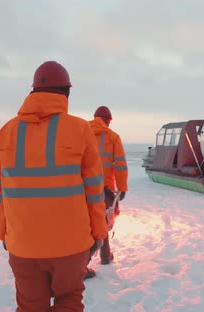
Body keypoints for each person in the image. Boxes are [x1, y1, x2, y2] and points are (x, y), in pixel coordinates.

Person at [0, 61, 107, 311]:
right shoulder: (79, 130)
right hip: (71, 246)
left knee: (31, 306)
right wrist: (99, 234)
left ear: (33, 91)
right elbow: (95, 190)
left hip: (23, 246)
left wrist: (4, 233)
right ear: (66, 93)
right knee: (69, 301)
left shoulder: (5, 133)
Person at [84, 105, 129, 278]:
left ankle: (104, 255)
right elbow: (120, 166)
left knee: (87, 224)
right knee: (102, 222)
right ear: (108, 121)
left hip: (82, 186)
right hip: (104, 189)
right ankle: (89, 261)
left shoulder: (81, 132)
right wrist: (122, 188)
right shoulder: (112, 137)